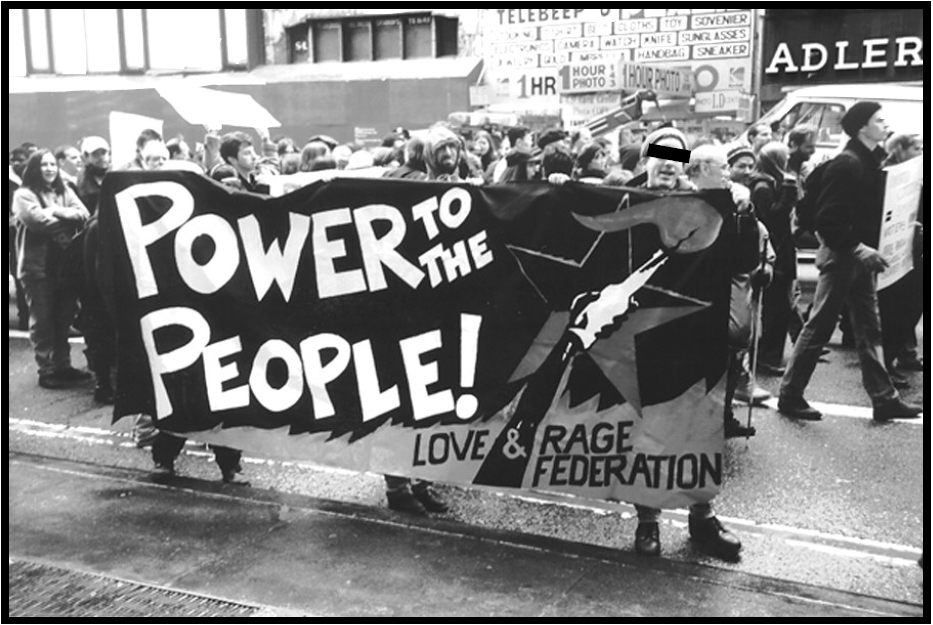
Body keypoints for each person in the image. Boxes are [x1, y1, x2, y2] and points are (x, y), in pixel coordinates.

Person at [630, 128, 744, 561]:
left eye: (676, 156)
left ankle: (703, 517)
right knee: (646, 430)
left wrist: (743, 212)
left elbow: (745, 259)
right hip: (642, 334)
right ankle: (648, 521)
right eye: (659, 154)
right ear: (646, 159)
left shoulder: (707, 202)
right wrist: (560, 186)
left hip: (696, 331)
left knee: (699, 425)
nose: (667, 163)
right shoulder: (621, 197)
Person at [778, 102, 922, 422]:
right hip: (844, 254)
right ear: (861, 128)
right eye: (878, 120)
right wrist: (860, 249)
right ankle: (789, 395)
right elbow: (828, 219)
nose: (885, 124)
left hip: (858, 254)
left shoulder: (867, 161)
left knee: (869, 329)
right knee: (819, 327)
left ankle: (884, 398)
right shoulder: (849, 164)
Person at [686, 144, 772, 440]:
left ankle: (723, 416)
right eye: (723, 167)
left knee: (731, 350)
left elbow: (748, 258)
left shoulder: (737, 201)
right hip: (689, 291)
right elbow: (652, 153)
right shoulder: (678, 195)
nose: (729, 173)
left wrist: (746, 214)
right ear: (704, 169)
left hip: (724, 291)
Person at [12, 149, 92, 390]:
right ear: (34, 168)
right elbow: (38, 222)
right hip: (38, 269)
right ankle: (47, 369)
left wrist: (56, 211)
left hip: (64, 267)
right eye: (44, 164)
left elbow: (85, 215)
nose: (49, 169)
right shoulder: (23, 195)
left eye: (52, 164)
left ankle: (63, 365)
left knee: (63, 319)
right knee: (43, 322)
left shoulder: (64, 191)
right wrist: (68, 219)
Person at [725, 144, 773, 407]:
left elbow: (764, 251)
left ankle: (740, 380)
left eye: (749, 166)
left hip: (738, 286)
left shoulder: (751, 214)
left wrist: (765, 270)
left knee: (741, 333)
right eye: (739, 166)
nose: (746, 171)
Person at [749, 142, 800, 377]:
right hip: (775, 255)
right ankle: (767, 358)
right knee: (776, 311)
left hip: (780, 252)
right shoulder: (763, 187)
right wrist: (789, 190)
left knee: (779, 309)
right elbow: (775, 218)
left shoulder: (768, 183)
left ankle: (767, 356)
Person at [877, 133, 924, 382]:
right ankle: (886, 363)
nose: (922, 153)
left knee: (912, 305)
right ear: (900, 150)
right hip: (895, 252)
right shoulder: (888, 176)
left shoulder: (918, 176)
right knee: (896, 309)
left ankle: (900, 354)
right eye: (917, 148)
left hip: (915, 249)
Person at [75, 136, 111, 216]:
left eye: (103, 153)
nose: (101, 157)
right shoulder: (82, 181)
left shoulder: (114, 176)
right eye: (96, 154)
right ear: (85, 157)